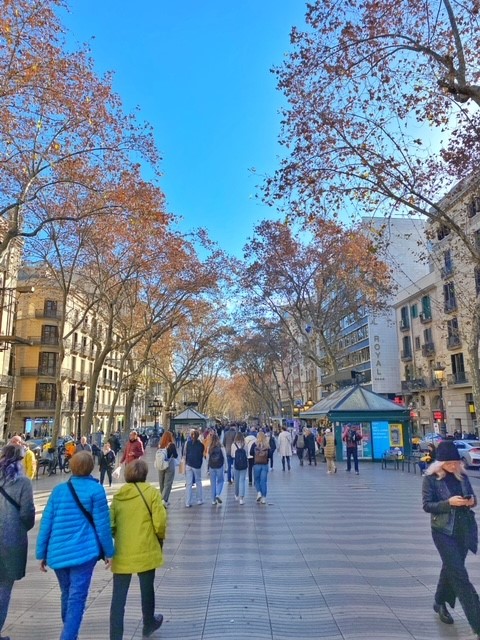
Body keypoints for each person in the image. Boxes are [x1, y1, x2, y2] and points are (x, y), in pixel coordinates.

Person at [36, 451, 114, 640]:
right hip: (83, 553)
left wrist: (41, 552)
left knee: (67, 593)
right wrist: (109, 551)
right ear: (90, 467)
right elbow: (103, 525)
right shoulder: (96, 491)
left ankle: (68, 630)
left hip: (58, 552)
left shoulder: (59, 491)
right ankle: (68, 635)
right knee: (77, 598)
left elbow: (46, 522)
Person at [422, 440, 480, 639]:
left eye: (456, 462)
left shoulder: (461, 475)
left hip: (464, 530)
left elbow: (472, 497)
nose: (455, 466)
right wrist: (449, 503)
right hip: (443, 532)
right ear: (440, 463)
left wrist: (471, 501)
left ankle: (439, 601)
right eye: (450, 463)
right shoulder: (430, 479)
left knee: (451, 568)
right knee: (460, 576)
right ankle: (477, 622)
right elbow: (428, 505)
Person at [110, 458, 166, 640]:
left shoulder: (119, 496)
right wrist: (160, 537)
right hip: (146, 547)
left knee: (118, 597)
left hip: (123, 551)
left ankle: (115, 635)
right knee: (147, 589)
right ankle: (148, 623)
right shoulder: (151, 493)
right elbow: (160, 521)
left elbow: (110, 525)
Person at [0, 445, 35, 640]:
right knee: (4, 588)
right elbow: (28, 514)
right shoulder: (23, 482)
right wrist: (19, 528)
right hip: (11, 542)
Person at [184, 429, 204, 507]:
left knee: (189, 483)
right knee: (198, 481)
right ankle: (199, 499)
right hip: (197, 465)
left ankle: (187, 502)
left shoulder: (188, 443)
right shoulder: (201, 445)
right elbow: (201, 454)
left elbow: (186, 453)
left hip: (189, 464)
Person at [156, 431, 178, 506]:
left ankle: (162, 498)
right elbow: (175, 455)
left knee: (161, 483)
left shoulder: (160, 445)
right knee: (168, 483)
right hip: (169, 465)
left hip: (161, 465)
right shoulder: (171, 445)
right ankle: (164, 499)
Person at [251, 431, 270, 504]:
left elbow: (250, 453)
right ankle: (264, 498)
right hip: (265, 464)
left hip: (256, 464)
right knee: (264, 481)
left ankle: (259, 492)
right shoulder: (267, 445)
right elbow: (270, 455)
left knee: (256, 480)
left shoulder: (254, 444)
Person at [208, 433, 226, 505]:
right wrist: (226, 467)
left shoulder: (209, 447)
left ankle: (213, 500)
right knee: (220, 480)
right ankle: (218, 494)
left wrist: (207, 467)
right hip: (219, 466)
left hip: (211, 466)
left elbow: (207, 458)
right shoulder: (221, 447)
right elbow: (224, 457)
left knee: (213, 483)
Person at [232, 432, 248, 505]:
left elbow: (232, 455)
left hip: (236, 463)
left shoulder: (233, 444)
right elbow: (247, 454)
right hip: (244, 464)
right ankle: (241, 498)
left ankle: (236, 494)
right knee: (242, 481)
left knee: (237, 480)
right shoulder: (245, 444)